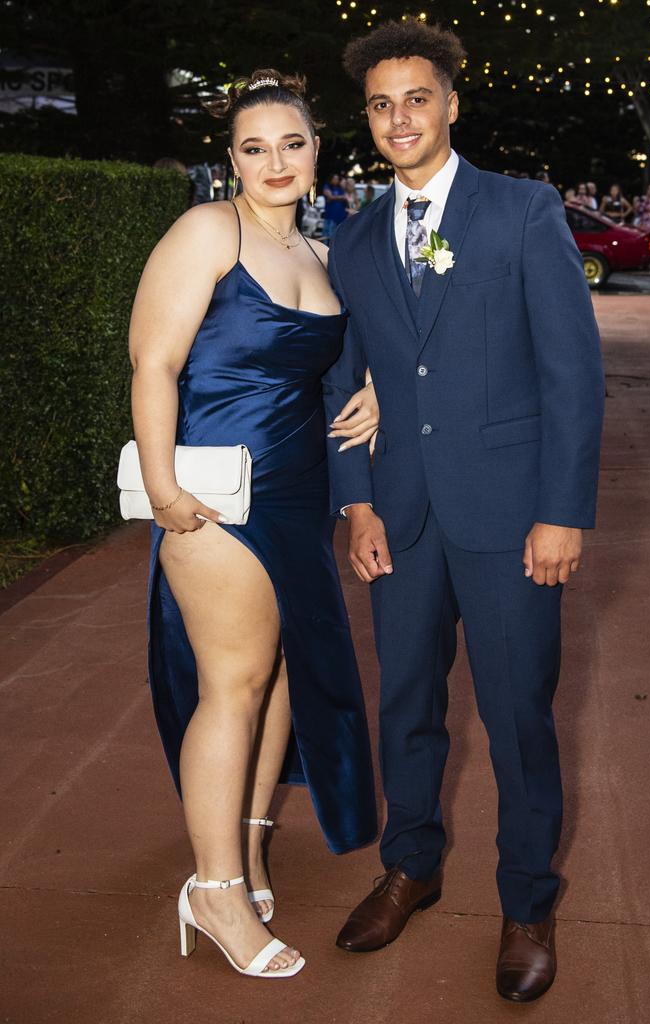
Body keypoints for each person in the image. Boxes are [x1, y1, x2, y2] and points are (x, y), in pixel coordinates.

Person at [322, 18, 604, 1004]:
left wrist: (562, 510)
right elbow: (342, 384)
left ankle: (527, 899)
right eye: (381, 103)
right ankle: (413, 863)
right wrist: (354, 504)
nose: (400, 117)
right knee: (404, 701)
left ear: (451, 102)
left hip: (511, 512)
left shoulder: (522, 211)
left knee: (520, 713)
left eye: (417, 97)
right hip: (399, 513)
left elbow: (574, 374)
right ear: (368, 118)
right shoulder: (351, 242)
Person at [129, 69, 380, 980]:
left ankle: (248, 842)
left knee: (276, 678)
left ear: (318, 150)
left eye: (292, 143)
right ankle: (214, 890)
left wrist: (376, 389)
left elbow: (337, 365)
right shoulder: (208, 231)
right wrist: (162, 488)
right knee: (233, 681)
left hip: (296, 492)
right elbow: (153, 361)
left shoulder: (319, 252)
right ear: (228, 158)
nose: (275, 161)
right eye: (252, 147)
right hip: (214, 495)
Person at [322, 173, 348, 240]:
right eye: (335, 179)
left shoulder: (340, 188)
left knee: (336, 236)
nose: (336, 180)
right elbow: (330, 197)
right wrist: (342, 197)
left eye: (337, 179)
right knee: (328, 236)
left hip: (340, 217)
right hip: (330, 216)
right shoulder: (327, 187)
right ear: (331, 180)